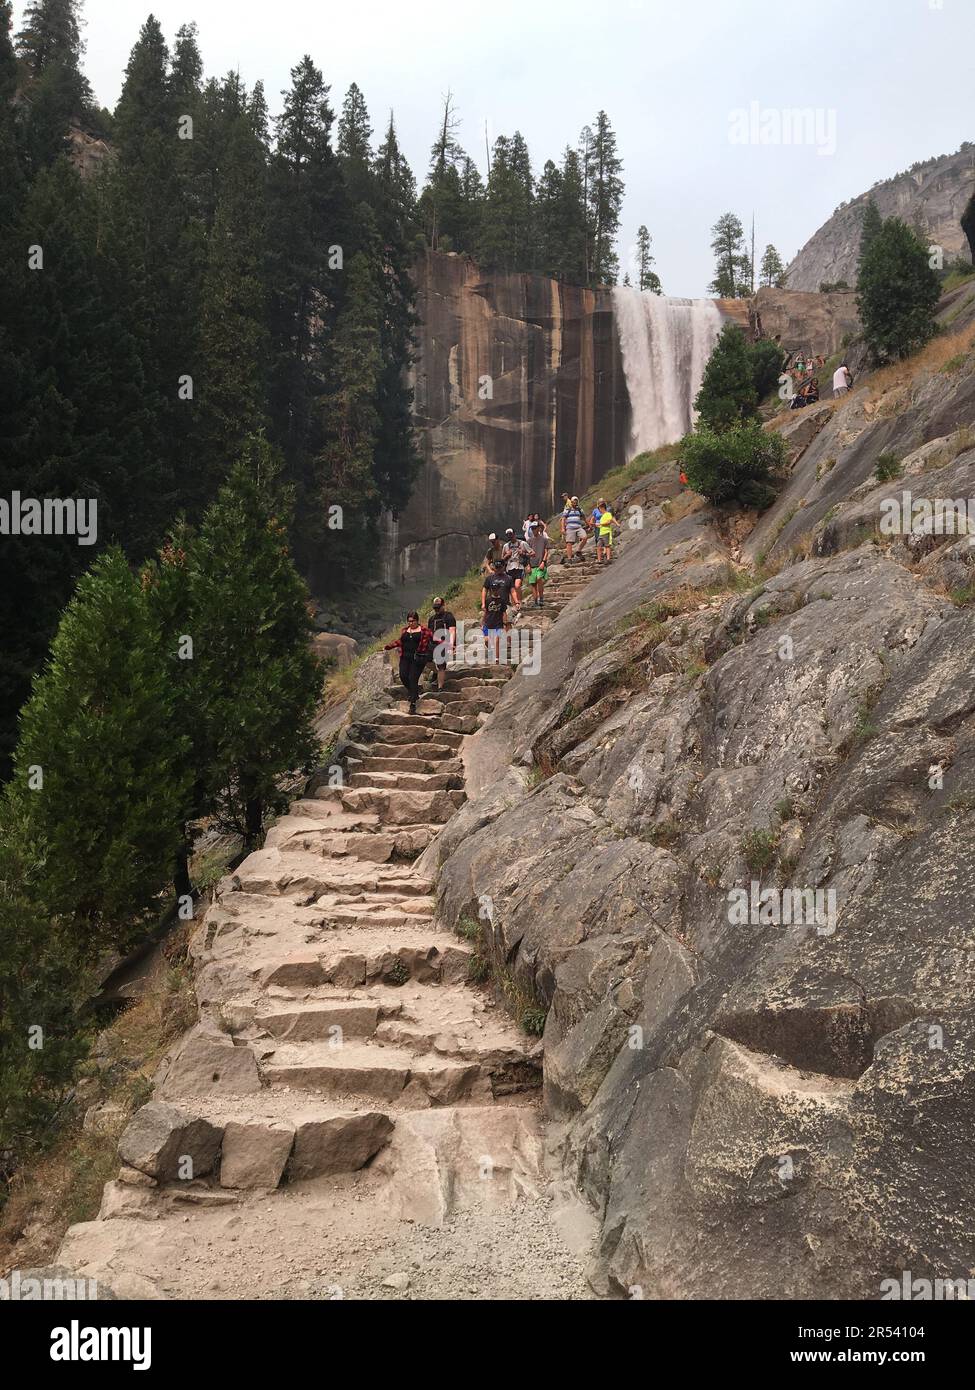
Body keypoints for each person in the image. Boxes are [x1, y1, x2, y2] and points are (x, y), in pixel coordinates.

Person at [384, 611, 433, 714]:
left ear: (417, 620)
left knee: (412, 678)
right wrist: (388, 646)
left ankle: (413, 703)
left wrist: (447, 645)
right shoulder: (405, 631)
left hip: (418, 658)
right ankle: (413, 692)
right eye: (409, 621)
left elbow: (434, 639)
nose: (411, 623)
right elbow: (400, 641)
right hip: (405, 658)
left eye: (413, 621)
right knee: (403, 676)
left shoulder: (424, 631)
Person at [481, 559, 513, 663]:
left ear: (503, 567)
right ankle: (493, 650)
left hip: (504, 604)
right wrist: (483, 622)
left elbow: (512, 590)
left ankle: (499, 655)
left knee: (505, 627)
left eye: (500, 567)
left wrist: (516, 601)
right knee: (487, 640)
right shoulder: (489, 579)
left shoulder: (508, 578)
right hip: (490, 616)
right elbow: (484, 589)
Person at [427, 597, 457, 690]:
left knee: (441, 664)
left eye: (438, 607)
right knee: (425, 660)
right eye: (435, 608)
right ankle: (436, 672)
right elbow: (428, 632)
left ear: (443, 605)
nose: (436, 610)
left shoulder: (448, 616)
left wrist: (451, 644)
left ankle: (440, 687)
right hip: (432, 643)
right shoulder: (431, 619)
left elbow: (452, 630)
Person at [502, 528, 532, 614]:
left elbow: (532, 553)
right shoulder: (505, 546)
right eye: (508, 535)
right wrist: (507, 555)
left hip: (519, 566)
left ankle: (519, 602)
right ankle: (515, 605)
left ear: (514, 534)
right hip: (509, 568)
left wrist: (523, 553)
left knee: (517, 585)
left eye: (511, 534)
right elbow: (502, 559)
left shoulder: (522, 543)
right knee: (511, 588)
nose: (510, 536)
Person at [527, 520, 550, 607]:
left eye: (535, 528)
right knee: (533, 584)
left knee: (538, 578)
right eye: (532, 528)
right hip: (532, 564)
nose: (533, 530)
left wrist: (543, 562)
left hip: (541, 563)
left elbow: (546, 551)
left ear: (539, 528)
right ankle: (535, 601)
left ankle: (541, 598)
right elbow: (527, 554)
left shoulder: (544, 539)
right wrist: (528, 565)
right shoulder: (529, 541)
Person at [561, 495, 589, 562]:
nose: (575, 503)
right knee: (569, 543)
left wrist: (589, 525)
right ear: (571, 502)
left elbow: (584, 518)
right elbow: (563, 519)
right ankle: (569, 558)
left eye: (576, 501)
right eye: (574, 501)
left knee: (584, 538)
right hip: (570, 528)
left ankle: (578, 551)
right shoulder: (567, 510)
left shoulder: (580, 510)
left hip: (578, 527)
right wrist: (562, 528)